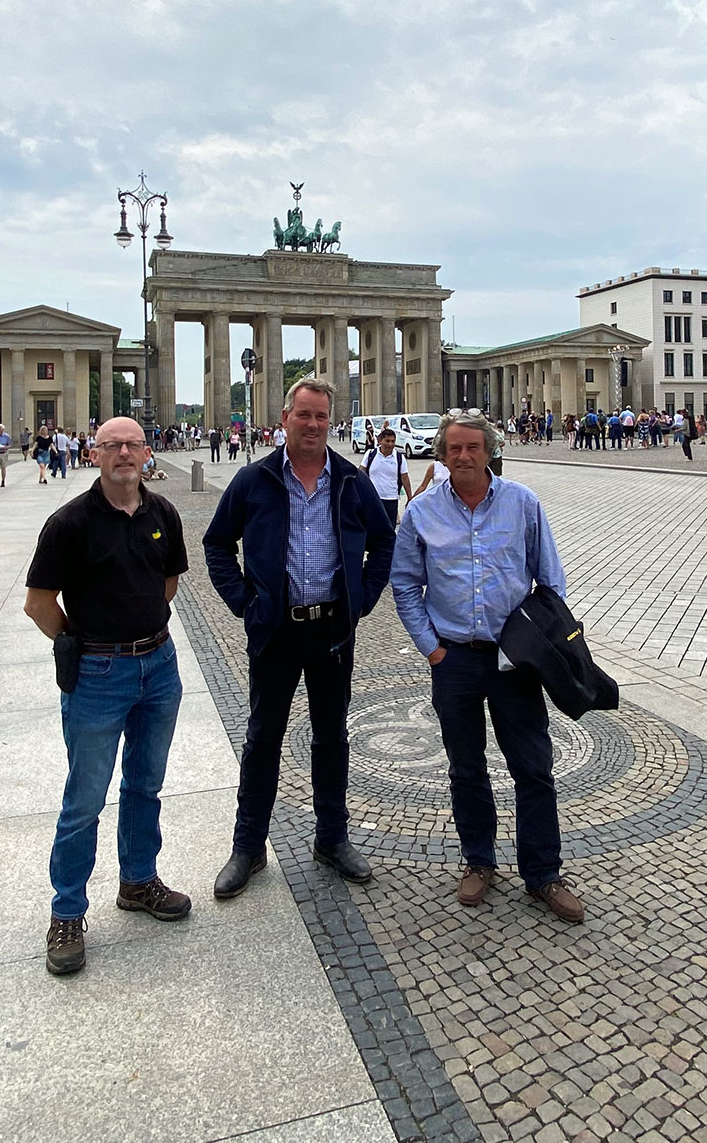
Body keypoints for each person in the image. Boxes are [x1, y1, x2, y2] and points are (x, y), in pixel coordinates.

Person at [203, 378, 395, 899]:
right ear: (284, 417)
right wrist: (246, 602)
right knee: (263, 738)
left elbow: (384, 544)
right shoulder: (254, 479)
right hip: (276, 630)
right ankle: (248, 846)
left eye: (321, 418)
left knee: (331, 737)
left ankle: (331, 838)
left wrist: (363, 599)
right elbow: (217, 544)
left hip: (333, 630)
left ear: (330, 423)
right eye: (303, 415)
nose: (312, 425)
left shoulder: (352, 483)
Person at [389, 412, 583, 922]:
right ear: (441, 454)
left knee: (533, 767)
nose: (463, 456)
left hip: (514, 663)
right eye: (453, 449)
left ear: (489, 451)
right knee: (466, 768)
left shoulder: (523, 503)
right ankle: (479, 860)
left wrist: (535, 646)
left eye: (473, 447)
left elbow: (551, 584)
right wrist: (432, 649)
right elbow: (405, 584)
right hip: (454, 659)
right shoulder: (422, 513)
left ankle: (543, 872)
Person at [23, 415, 191, 976]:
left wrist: (142, 627)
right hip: (99, 672)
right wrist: (81, 643)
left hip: (159, 666)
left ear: (147, 452)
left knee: (146, 784)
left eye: (133, 444)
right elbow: (39, 602)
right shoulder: (68, 523)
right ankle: (67, 911)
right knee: (85, 799)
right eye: (112, 445)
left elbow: (167, 583)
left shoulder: (162, 513)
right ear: (94, 453)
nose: (124, 453)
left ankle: (138, 880)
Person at [364, 427, 413, 527]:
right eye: (387, 441)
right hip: (373, 498)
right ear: (380, 441)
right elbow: (361, 472)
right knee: (372, 528)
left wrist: (409, 497)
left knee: (390, 529)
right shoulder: (370, 455)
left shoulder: (399, 458)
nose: (390, 444)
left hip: (391, 499)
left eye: (392, 441)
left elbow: (405, 478)